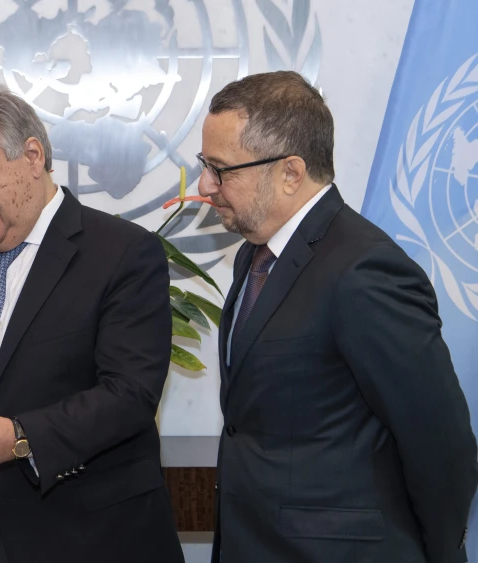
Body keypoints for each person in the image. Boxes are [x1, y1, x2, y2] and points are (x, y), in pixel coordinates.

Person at [199, 70, 478, 563]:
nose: (205, 185)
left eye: (222, 169)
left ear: (290, 172)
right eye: (205, 165)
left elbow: (441, 443)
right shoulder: (255, 255)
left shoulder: (365, 269)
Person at [0, 84, 184, 563]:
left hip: (95, 541)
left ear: (32, 156)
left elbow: (130, 395)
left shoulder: (123, 253)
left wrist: (20, 437)